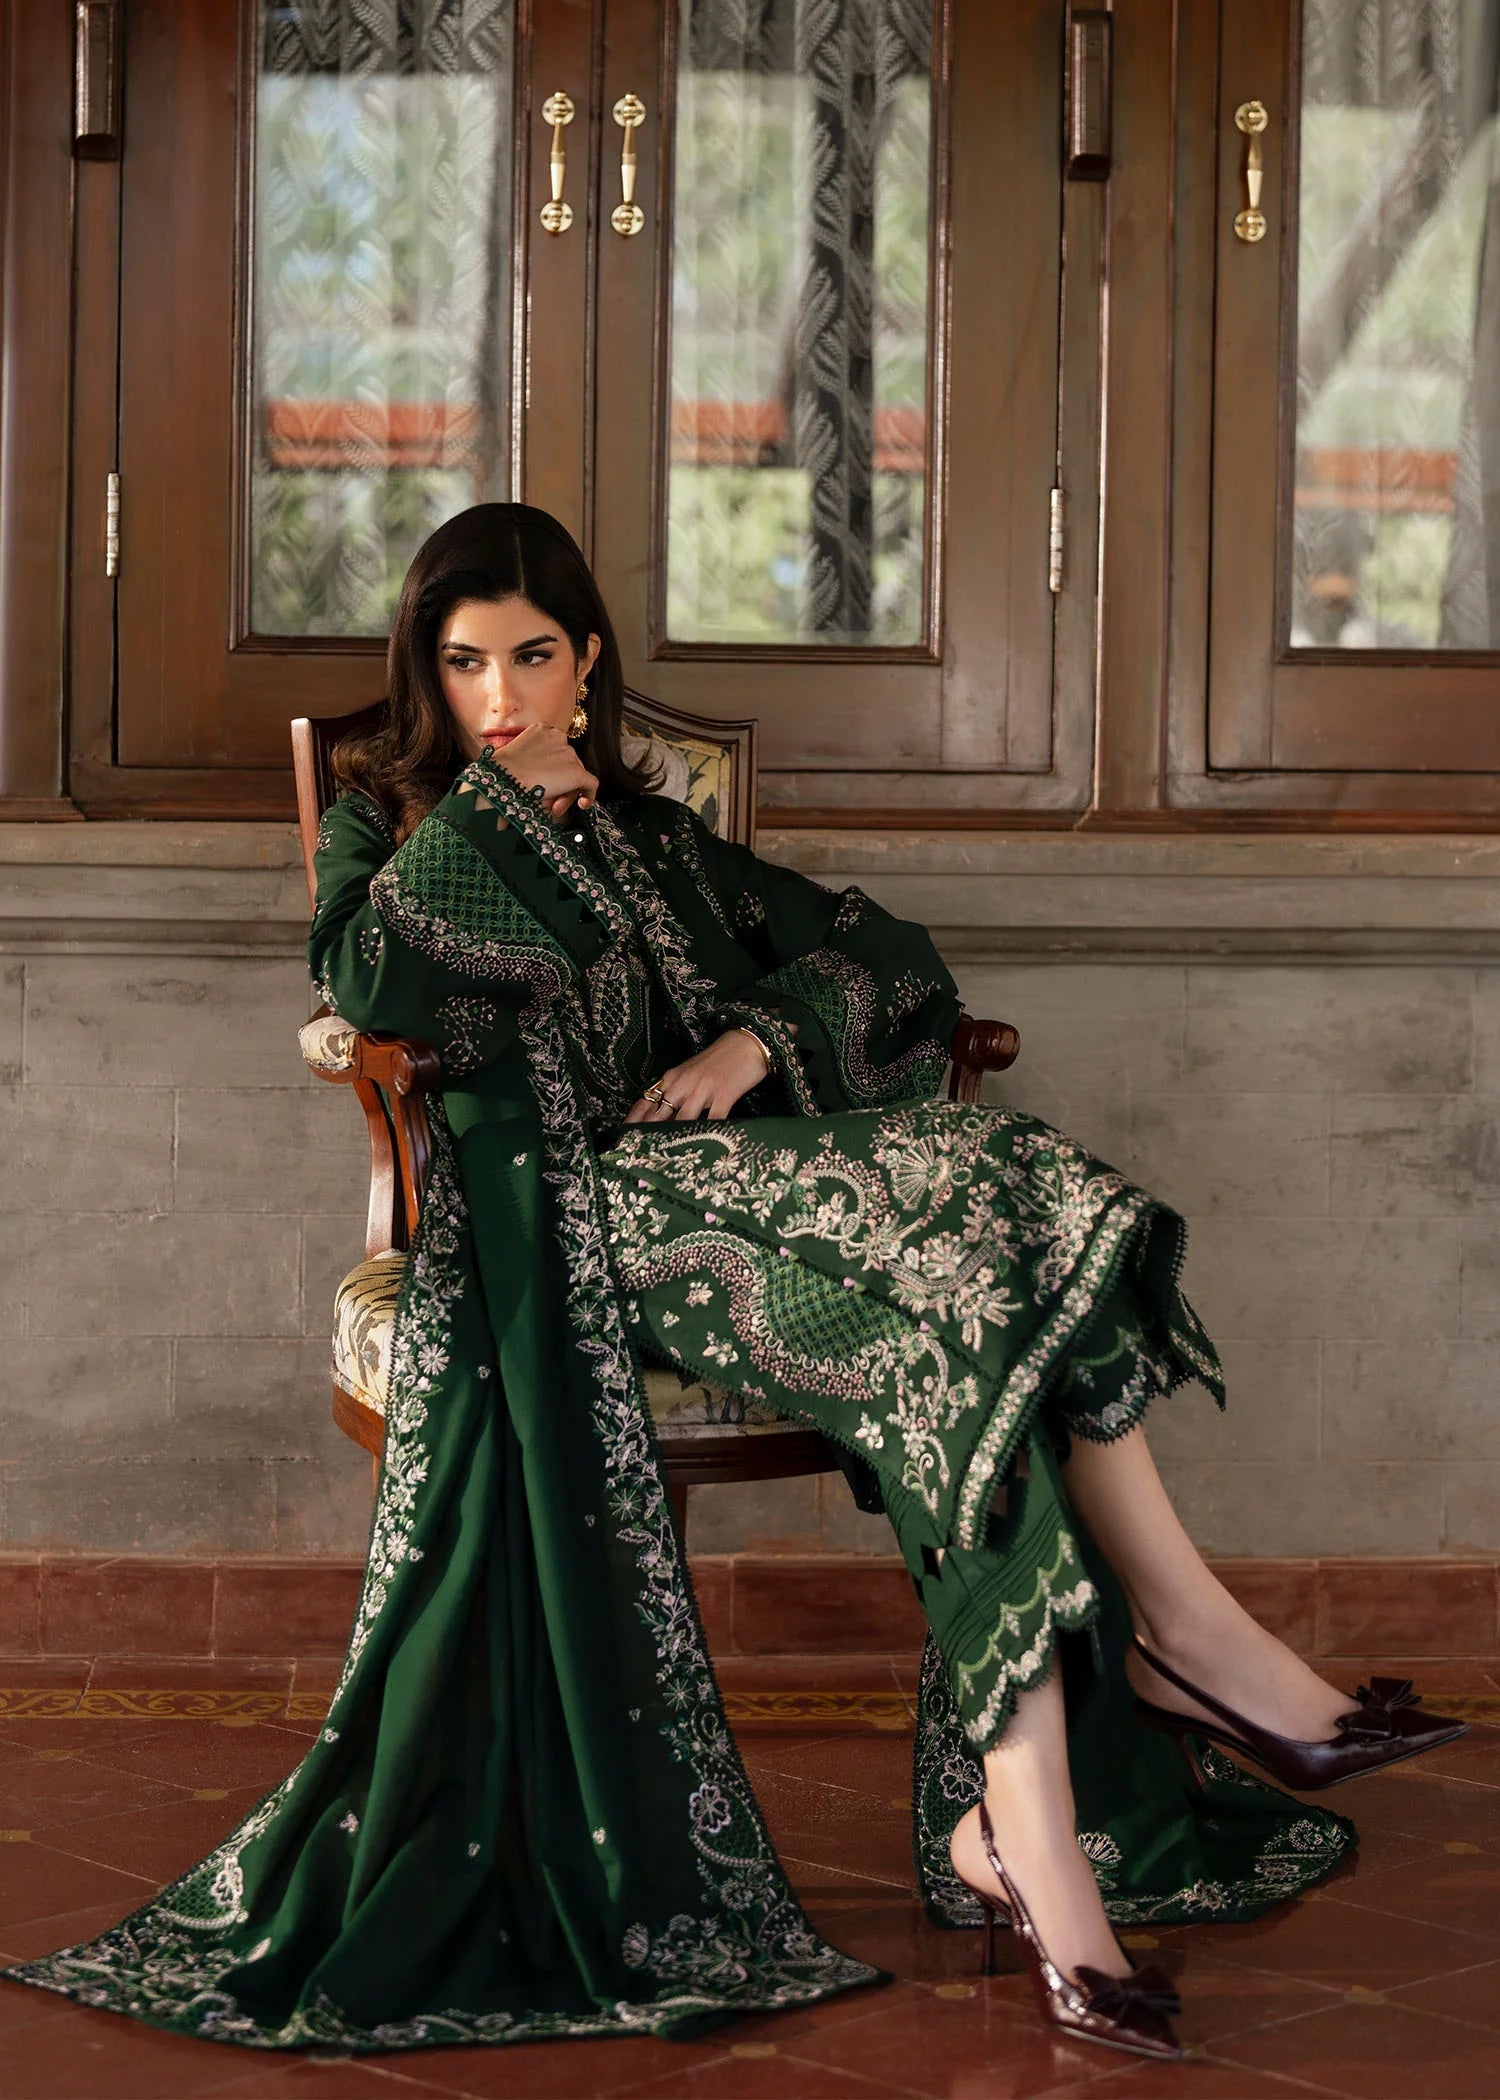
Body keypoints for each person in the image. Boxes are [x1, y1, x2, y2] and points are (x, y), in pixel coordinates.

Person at [1, 504, 1464, 2061]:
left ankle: (1042, 1799)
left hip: (747, 1193)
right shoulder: (395, 820)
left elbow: (886, 953)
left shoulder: (661, 838)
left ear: (588, 660)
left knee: (1000, 1233)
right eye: (464, 663)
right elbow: (363, 976)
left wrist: (752, 1043)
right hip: (570, 1218)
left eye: (531, 657)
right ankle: (1158, 1681)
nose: (499, 695)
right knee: (988, 1241)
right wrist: (494, 813)